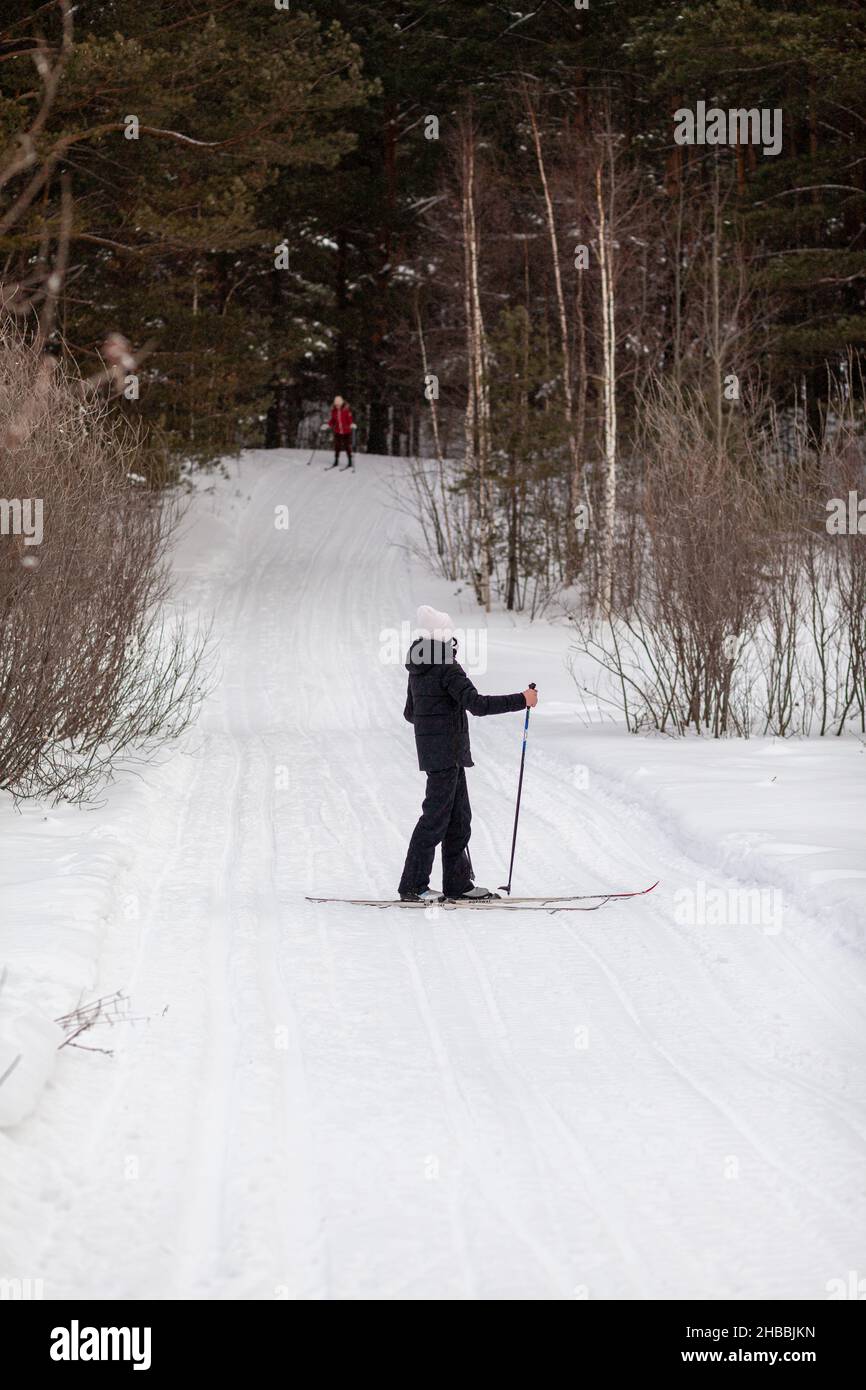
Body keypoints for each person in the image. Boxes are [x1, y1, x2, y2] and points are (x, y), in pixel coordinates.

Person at [398, 605, 538, 903]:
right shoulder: (446, 666)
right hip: (446, 752)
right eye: (450, 635)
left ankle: (458, 884)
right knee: (434, 820)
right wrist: (522, 700)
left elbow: (411, 713)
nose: (453, 641)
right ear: (441, 638)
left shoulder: (419, 667)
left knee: (459, 819)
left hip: (442, 753)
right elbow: (477, 705)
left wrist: (437, 717)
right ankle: (412, 886)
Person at [326, 395, 354, 471]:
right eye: (336, 404)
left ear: (341, 403)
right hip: (338, 431)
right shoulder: (334, 411)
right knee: (337, 446)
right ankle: (336, 460)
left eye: (338, 404)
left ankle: (350, 461)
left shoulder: (346, 410)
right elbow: (333, 420)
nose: (337, 406)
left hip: (346, 431)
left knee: (347, 446)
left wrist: (351, 424)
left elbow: (350, 419)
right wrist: (327, 425)